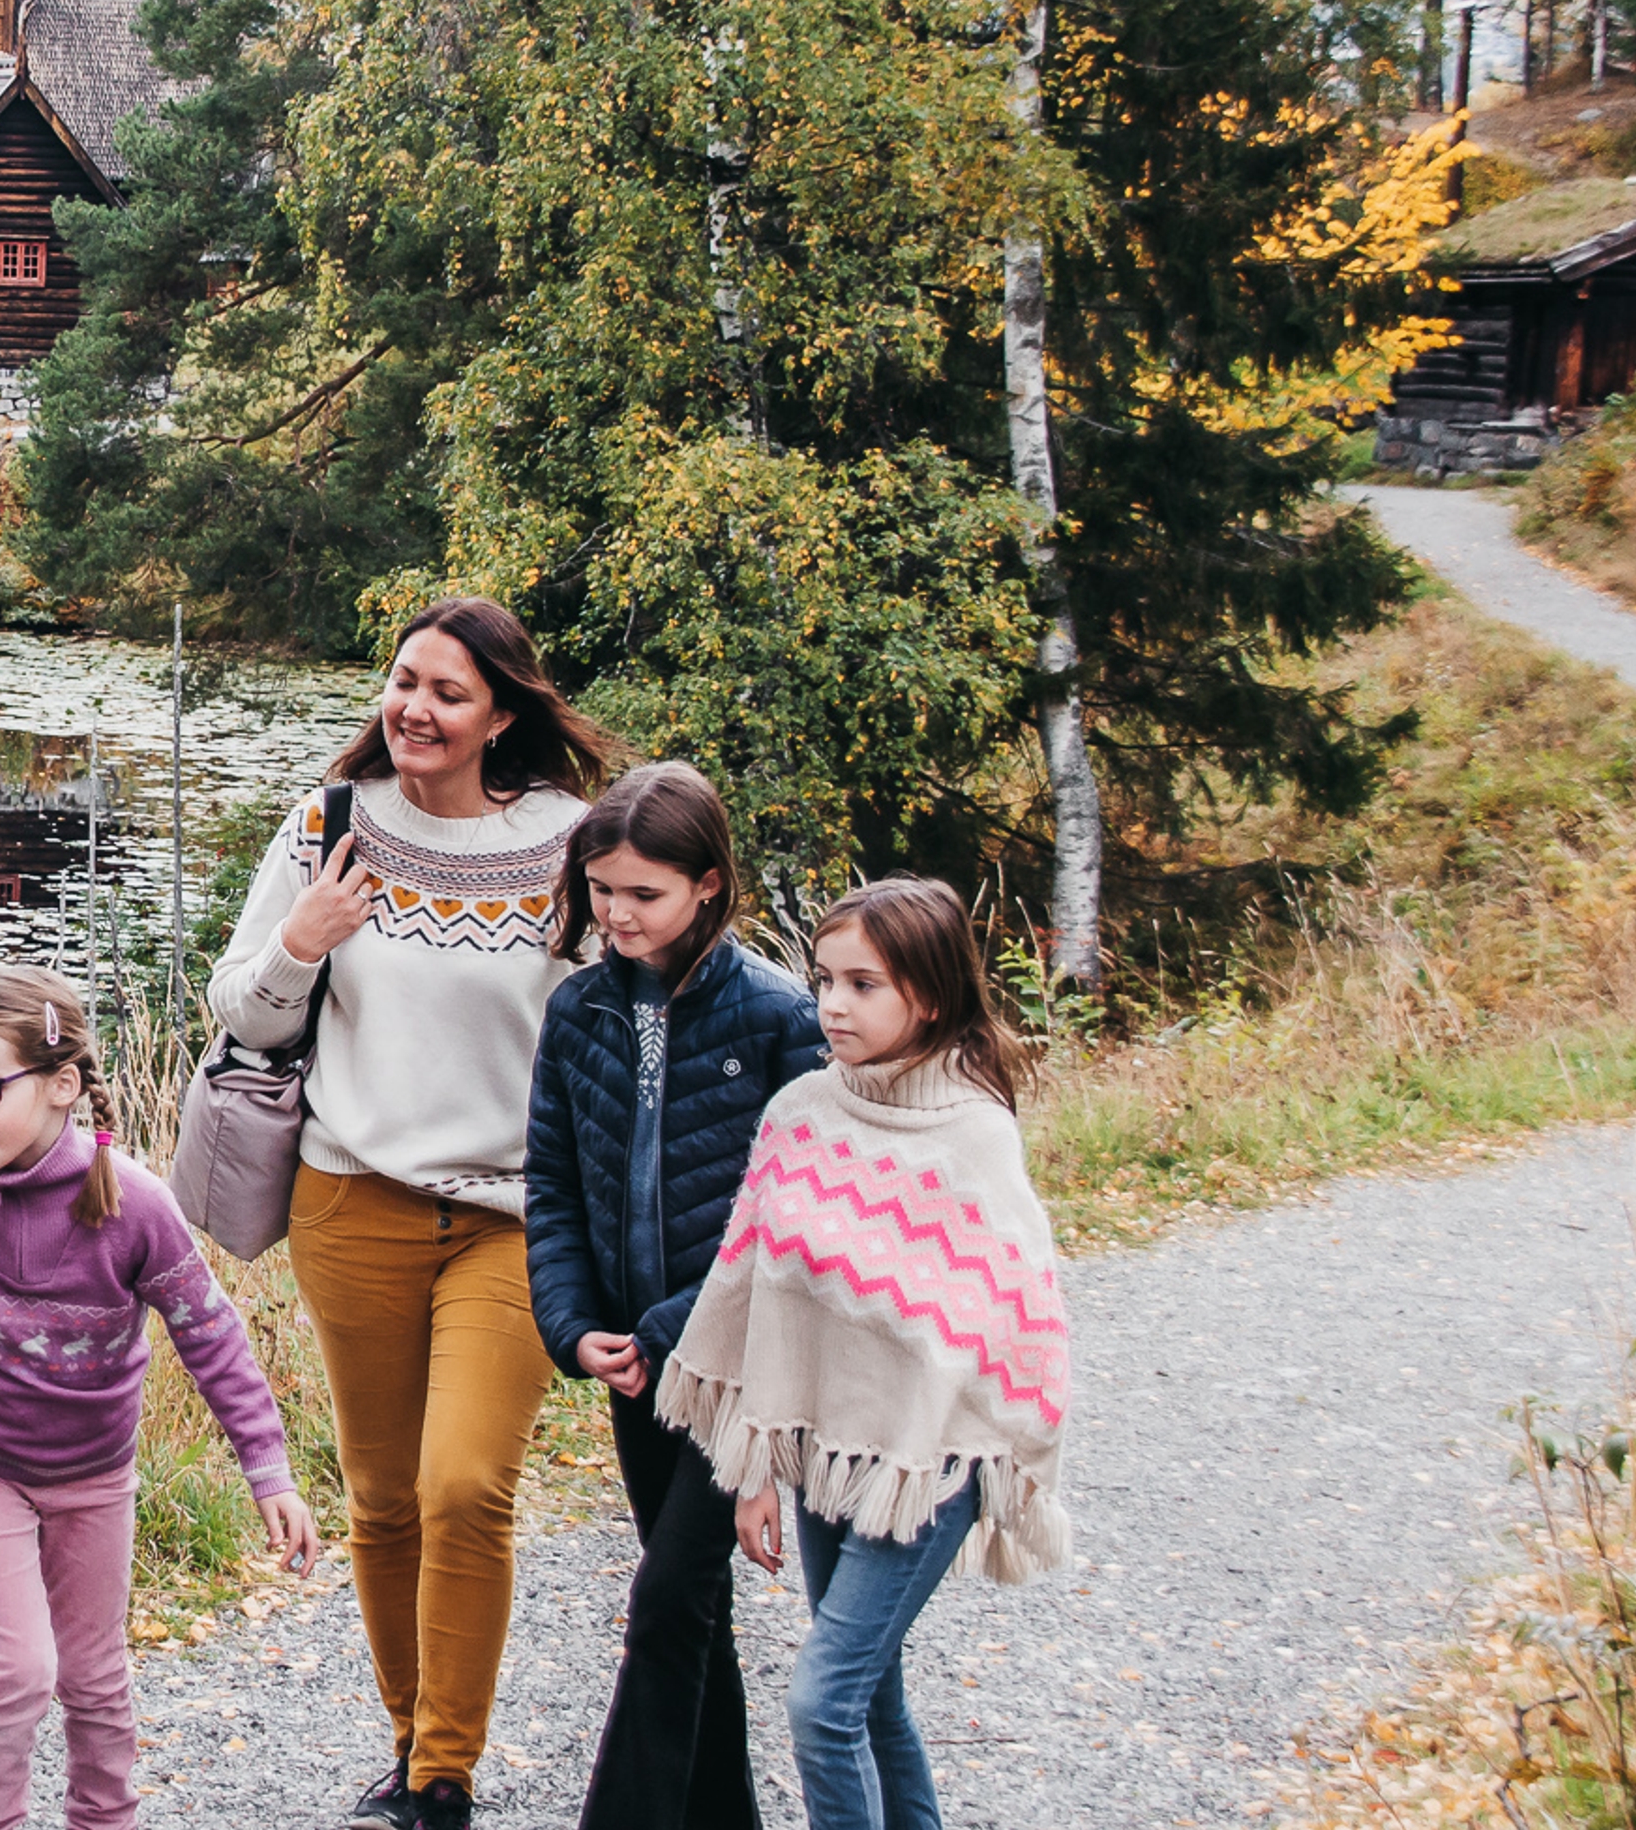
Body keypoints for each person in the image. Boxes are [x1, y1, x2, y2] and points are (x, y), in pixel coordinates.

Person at [204, 594, 614, 1830]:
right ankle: (412, 1763)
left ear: (501, 715)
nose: (415, 709)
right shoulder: (330, 826)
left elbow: (621, 1015)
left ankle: (444, 1776)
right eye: (402, 680)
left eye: (448, 692)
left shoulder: (570, 842)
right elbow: (242, 1011)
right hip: (352, 1201)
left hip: (512, 1219)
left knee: (463, 1487)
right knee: (381, 1501)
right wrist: (298, 941)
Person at [0, 965, 320, 1830]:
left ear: (62, 1087)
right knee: (19, 1670)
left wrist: (268, 1470)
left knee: (92, 1675)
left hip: (92, 1473)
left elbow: (211, 1336)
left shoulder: (135, 1207)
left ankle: (103, 1818)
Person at [663, 877, 1074, 1830]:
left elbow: (1016, 1318)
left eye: (863, 985)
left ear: (925, 995)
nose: (833, 1006)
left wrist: (979, 1451)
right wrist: (755, 1465)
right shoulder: (802, 1112)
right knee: (870, 1693)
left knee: (822, 1703)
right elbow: (755, 1297)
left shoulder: (974, 1135)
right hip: (825, 1447)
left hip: (929, 1461)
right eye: (824, 980)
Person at [521, 763, 828, 1830]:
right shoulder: (578, 1012)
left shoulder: (781, 1020)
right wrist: (571, 1327)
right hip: (631, 1365)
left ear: (708, 885)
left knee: (662, 1607)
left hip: (739, 1367)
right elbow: (552, 1186)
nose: (616, 914)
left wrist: (666, 1326)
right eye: (601, 889)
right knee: (693, 1613)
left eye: (643, 894)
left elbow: (789, 1221)